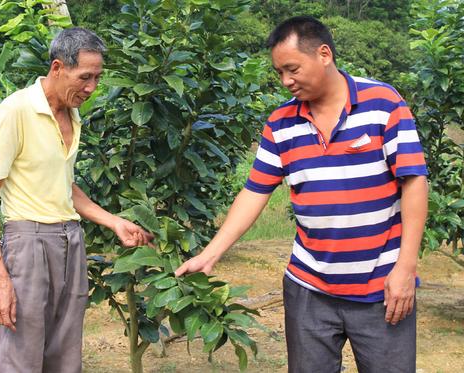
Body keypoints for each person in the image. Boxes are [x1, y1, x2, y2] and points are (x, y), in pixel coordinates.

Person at [175, 16, 428, 373]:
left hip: (382, 286)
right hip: (309, 288)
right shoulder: (281, 122)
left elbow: (414, 181)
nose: (285, 81)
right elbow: (254, 191)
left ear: (324, 54)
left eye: (291, 69)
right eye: (279, 72)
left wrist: (406, 266)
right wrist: (211, 253)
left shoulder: (383, 103)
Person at [0, 27, 153, 373]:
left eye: (98, 78)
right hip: (28, 243)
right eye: (85, 77)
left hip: (70, 240)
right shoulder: (17, 110)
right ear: (57, 68)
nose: (91, 88)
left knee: (65, 357)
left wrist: (114, 221)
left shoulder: (72, 115)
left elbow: (65, 187)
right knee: (21, 357)